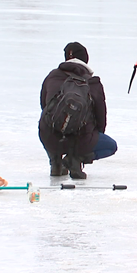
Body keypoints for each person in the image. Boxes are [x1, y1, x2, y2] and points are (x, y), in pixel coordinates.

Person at [39, 42, 117, 179]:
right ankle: (75, 159)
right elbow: (101, 118)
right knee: (111, 146)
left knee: (46, 127)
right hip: (81, 138)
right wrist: (92, 137)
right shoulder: (93, 82)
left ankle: (55, 163)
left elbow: (44, 106)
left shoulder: (52, 76)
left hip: (49, 136)